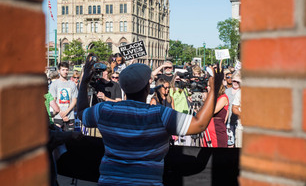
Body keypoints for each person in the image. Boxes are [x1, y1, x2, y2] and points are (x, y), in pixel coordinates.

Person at [77, 58, 223, 185]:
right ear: (147, 88)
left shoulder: (104, 110)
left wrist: (84, 83)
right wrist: (214, 88)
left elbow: (81, 113)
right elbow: (200, 124)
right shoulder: (159, 114)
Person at [49, 62, 78, 131]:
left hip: (70, 117)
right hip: (58, 117)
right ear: (59, 71)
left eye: (67, 70)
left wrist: (66, 112)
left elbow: (74, 100)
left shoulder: (72, 84)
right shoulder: (54, 84)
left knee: (70, 139)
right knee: (58, 139)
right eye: (63, 70)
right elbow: (53, 101)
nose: (65, 72)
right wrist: (62, 114)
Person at [202, 83, 229, 147]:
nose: (207, 88)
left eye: (209, 86)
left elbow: (213, 111)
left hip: (217, 130)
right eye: (207, 86)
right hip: (207, 130)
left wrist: (207, 98)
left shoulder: (223, 97)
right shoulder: (210, 98)